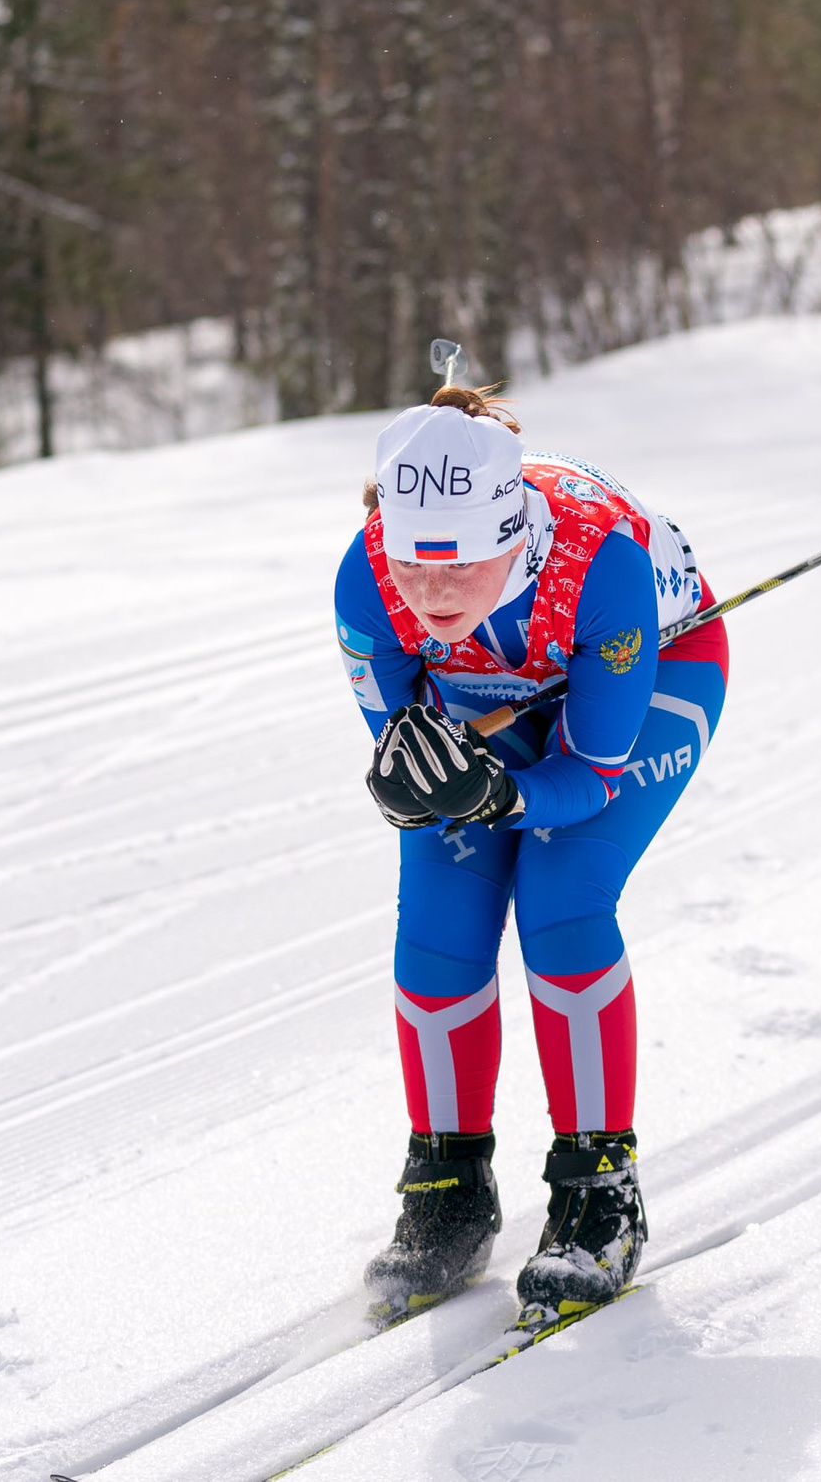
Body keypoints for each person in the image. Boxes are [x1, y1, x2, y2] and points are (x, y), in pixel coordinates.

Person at [333, 384, 730, 1323]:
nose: (429, 594)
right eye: (411, 567)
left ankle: (600, 1192)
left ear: (509, 537)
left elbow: (594, 769)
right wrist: (420, 776)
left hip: (652, 668)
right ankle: (449, 1183)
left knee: (560, 896)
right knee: (440, 914)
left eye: (458, 568)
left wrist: (502, 790)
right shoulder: (368, 580)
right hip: (491, 690)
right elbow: (411, 750)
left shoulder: (603, 568)